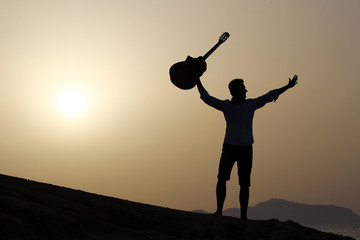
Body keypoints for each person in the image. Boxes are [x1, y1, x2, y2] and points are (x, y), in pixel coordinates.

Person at [196, 69, 298, 220]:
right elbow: (207, 98)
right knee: (222, 178)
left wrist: (287, 87)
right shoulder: (227, 106)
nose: (246, 90)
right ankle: (219, 211)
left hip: (246, 148)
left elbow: (269, 96)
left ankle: (243, 215)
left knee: (244, 183)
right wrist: (197, 79)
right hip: (230, 146)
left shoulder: (251, 104)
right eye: (243, 88)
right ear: (235, 91)